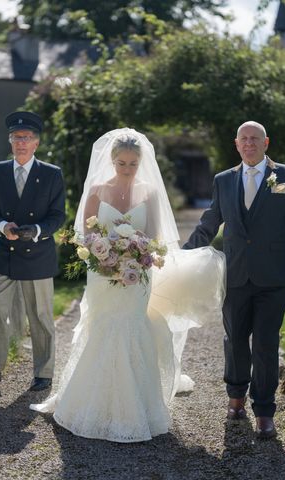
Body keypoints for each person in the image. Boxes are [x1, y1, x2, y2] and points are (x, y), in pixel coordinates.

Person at [30, 128, 226, 442]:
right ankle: (91, 401)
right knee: (102, 326)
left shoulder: (149, 192)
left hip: (138, 273)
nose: (127, 169)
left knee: (133, 326)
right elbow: (88, 234)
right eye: (121, 163)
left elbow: (153, 236)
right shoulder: (97, 189)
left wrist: (134, 256)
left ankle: (138, 405)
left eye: (133, 164)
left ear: (140, 162)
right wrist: (106, 256)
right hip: (103, 273)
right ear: (112, 160)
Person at [183, 121, 285, 439]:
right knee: (234, 341)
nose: (249, 144)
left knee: (265, 344)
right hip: (234, 276)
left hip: (274, 278)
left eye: (255, 139)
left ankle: (264, 411)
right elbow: (210, 221)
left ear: (266, 143)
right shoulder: (223, 180)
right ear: (237, 144)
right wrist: (183, 254)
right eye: (244, 139)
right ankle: (236, 397)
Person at [0, 111, 66, 391]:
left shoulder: (51, 174)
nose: (21, 143)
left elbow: (57, 216)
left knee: (40, 315)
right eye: (17, 138)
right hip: (4, 252)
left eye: (27, 138)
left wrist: (37, 231)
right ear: (10, 141)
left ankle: (44, 371)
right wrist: (2, 225)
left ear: (36, 143)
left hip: (37, 255)